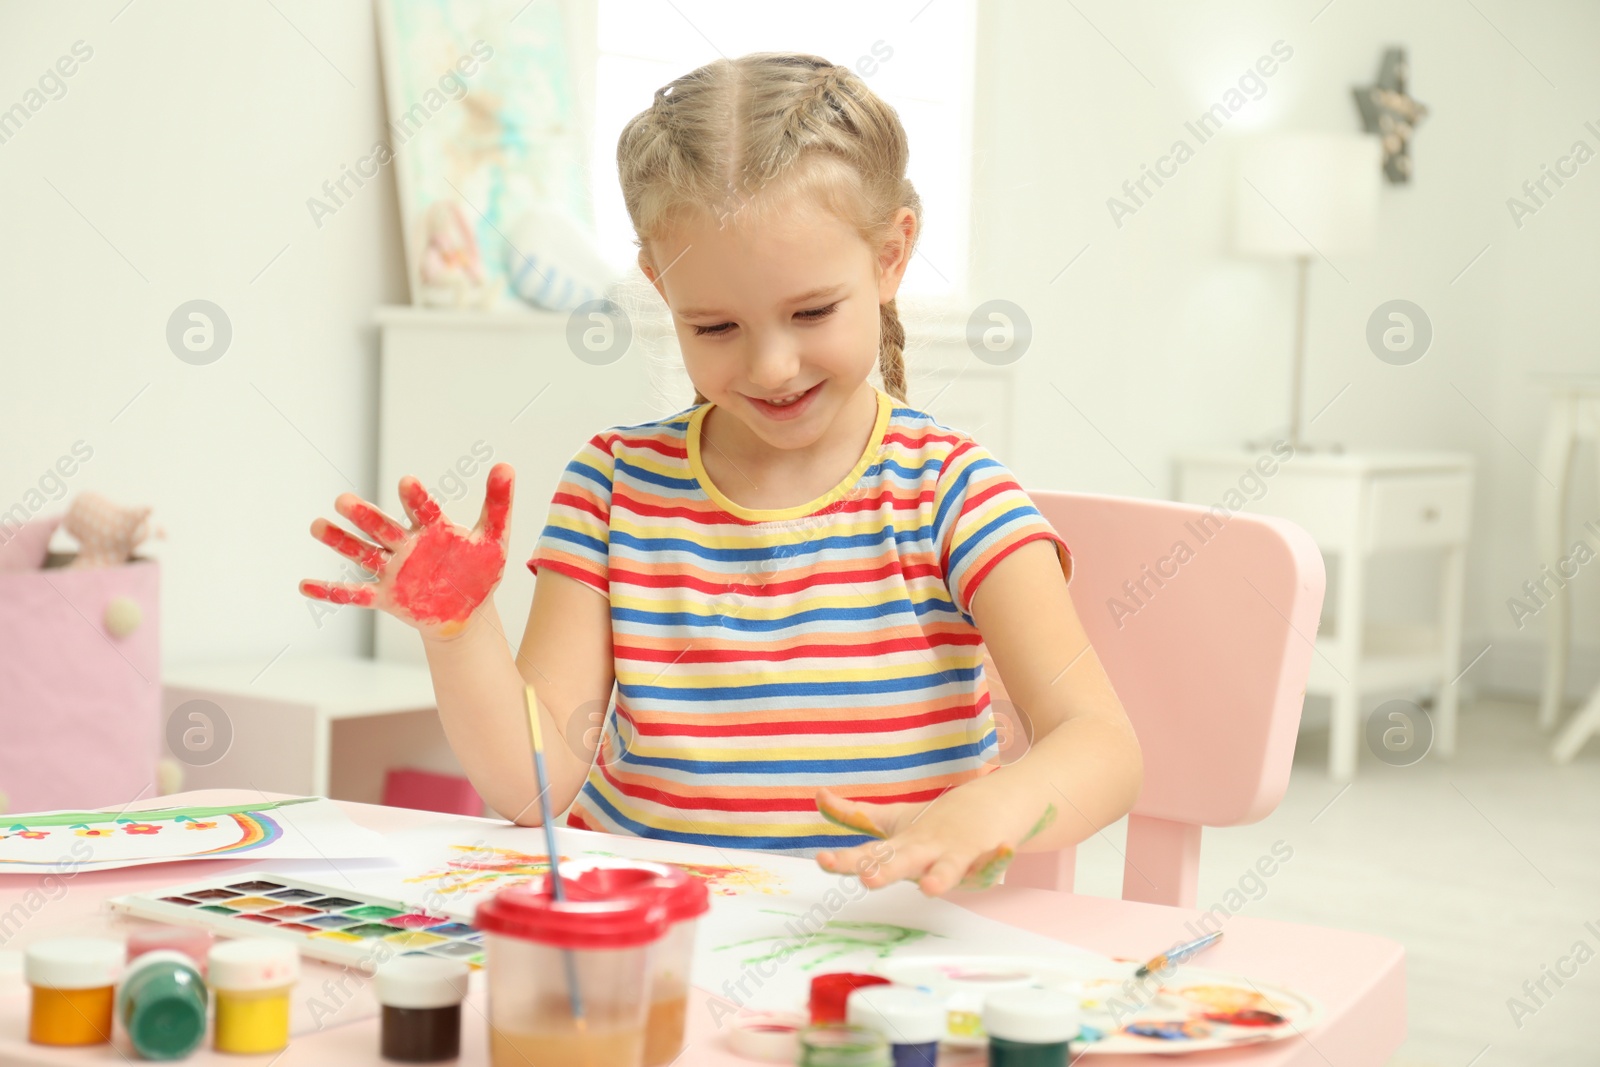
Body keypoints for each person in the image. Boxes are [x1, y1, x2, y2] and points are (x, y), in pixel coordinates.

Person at [302, 52, 1141, 897]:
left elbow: (1101, 742)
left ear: (892, 255)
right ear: (660, 286)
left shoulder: (954, 494)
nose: (773, 365)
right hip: (650, 944)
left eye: (812, 312)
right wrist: (460, 636)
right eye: (714, 326)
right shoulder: (612, 488)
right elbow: (537, 792)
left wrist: (989, 809)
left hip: (872, 946)